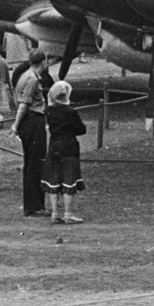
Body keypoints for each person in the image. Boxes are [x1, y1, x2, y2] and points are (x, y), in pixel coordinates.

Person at [12, 49, 52, 217]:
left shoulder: (25, 75)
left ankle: (33, 204)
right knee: (36, 164)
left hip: (30, 121)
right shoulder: (32, 79)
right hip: (33, 121)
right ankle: (35, 206)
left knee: (31, 164)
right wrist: (16, 124)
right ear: (43, 62)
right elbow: (24, 104)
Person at [42, 80, 87, 224]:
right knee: (69, 179)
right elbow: (81, 129)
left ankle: (55, 213)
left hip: (54, 147)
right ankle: (68, 213)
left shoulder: (48, 110)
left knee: (53, 180)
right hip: (69, 147)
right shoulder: (71, 112)